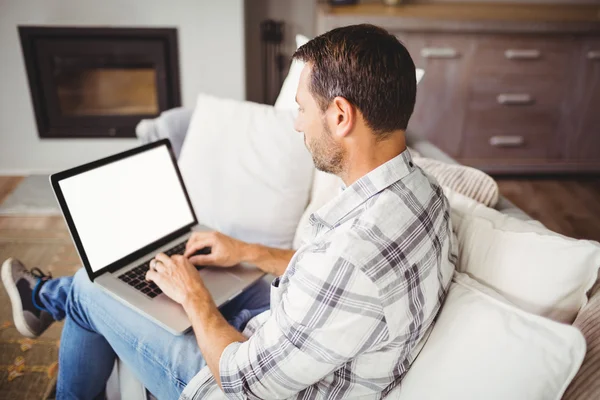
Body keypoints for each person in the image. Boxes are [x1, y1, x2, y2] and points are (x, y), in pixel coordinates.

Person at [1, 24, 457, 399]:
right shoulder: (424, 193)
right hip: (292, 330)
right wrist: (246, 250)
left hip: (240, 382)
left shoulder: (352, 252)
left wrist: (193, 295)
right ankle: (44, 297)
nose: (297, 122)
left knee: (89, 285)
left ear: (340, 116)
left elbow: (243, 382)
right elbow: (341, 286)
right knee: (143, 282)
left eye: (301, 109)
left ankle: (46, 297)